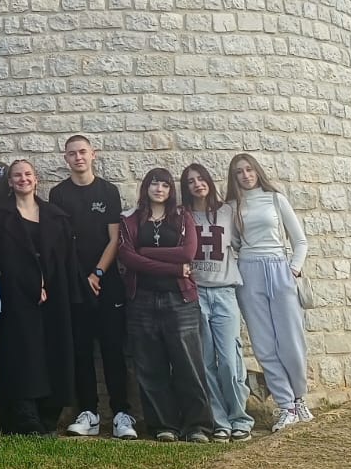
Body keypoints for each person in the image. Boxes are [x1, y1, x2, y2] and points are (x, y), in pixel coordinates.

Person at [49, 134, 136, 440]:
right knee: (81, 350)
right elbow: (59, 241)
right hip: (75, 285)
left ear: (93, 154)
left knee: (113, 348)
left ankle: (122, 414)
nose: (78, 158)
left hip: (107, 283)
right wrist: (81, 277)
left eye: (82, 152)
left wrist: (97, 272)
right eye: (72, 153)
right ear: (66, 158)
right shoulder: (58, 194)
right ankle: (89, 412)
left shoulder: (108, 191)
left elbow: (115, 239)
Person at [118, 167, 210, 442]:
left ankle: (198, 426)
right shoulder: (132, 221)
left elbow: (187, 253)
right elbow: (128, 258)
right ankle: (163, 426)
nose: (159, 189)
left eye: (165, 185)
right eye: (154, 184)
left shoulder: (183, 218)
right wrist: (171, 267)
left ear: (171, 191)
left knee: (188, 365)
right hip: (142, 301)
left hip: (179, 300)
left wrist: (146, 253)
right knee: (150, 366)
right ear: (146, 187)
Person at [224, 153, 312, 432]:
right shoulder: (232, 206)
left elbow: (300, 241)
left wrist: (293, 270)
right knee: (264, 344)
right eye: (239, 172)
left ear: (257, 171)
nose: (246, 175)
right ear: (234, 177)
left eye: (249, 170)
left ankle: (299, 399)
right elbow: (234, 243)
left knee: (291, 340)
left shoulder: (276, 199)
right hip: (249, 271)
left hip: (279, 268)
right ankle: (285, 406)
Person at [0, 160, 76, 436]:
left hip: (53, 294)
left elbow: (63, 258)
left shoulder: (55, 216)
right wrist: (30, 283)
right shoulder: (0, 214)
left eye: (27, 174)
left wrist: (47, 283)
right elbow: (1, 256)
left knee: (51, 349)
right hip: (15, 295)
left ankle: (48, 413)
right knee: (21, 352)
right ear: (9, 181)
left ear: (36, 179)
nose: (22, 179)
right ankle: (23, 415)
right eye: (17, 175)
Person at [182, 163, 252, 441]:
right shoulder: (183, 215)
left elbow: (245, 243)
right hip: (196, 293)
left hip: (224, 292)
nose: (197, 184)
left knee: (229, 359)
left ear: (209, 181)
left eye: (201, 179)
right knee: (205, 361)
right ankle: (219, 420)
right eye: (190, 181)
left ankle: (240, 417)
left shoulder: (228, 211)